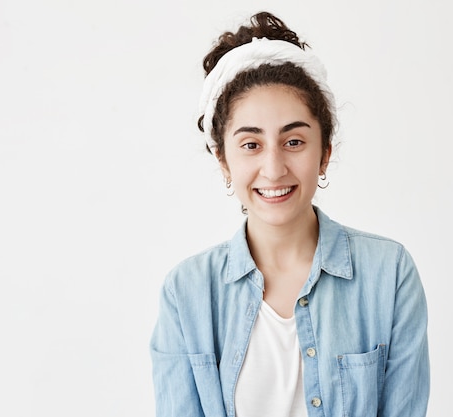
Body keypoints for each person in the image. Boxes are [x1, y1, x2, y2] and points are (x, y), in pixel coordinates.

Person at [150, 11, 430, 417]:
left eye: (294, 141)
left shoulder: (389, 274)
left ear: (325, 154)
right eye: (251, 145)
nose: (274, 168)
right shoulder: (186, 293)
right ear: (224, 161)